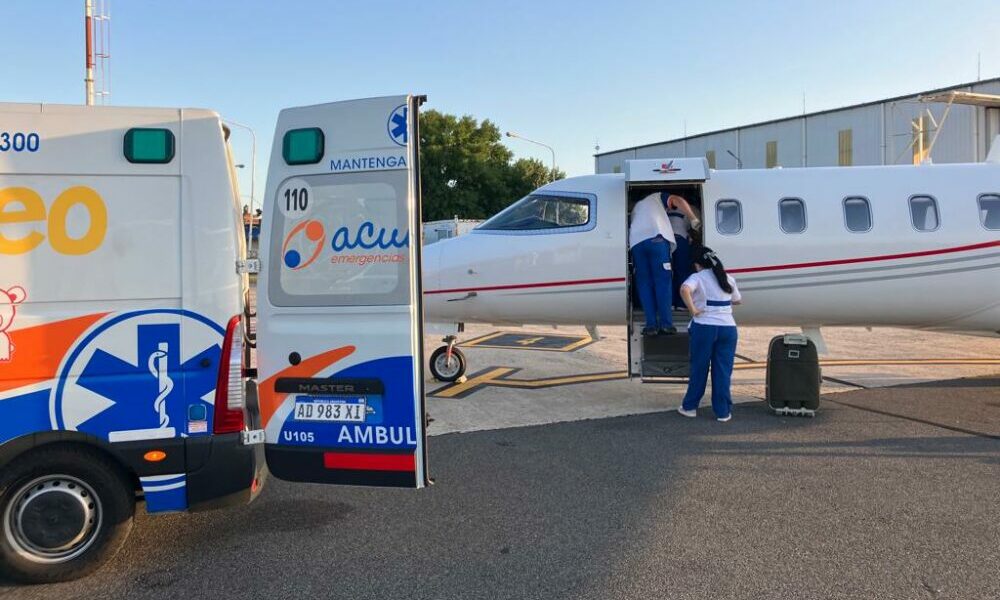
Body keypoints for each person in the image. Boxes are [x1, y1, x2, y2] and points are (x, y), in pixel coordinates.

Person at [677, 247, 742, 422]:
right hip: (728, 328)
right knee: (722, 371)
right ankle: (723, 412)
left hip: (705, 327)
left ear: (698, 264)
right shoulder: (727, 278)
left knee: (699, 368)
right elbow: (737, 300)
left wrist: (693, 309)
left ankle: (690, 407)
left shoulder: (697, 277)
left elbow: (684, 290)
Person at [629, 193, 677, 335]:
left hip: (637, 243)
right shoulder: (657, 197)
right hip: (657, 239)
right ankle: (666, 324)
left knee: (644, 284)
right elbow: (677, 200)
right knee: (662, 283)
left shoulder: (636, 208)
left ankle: (651, 325)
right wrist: (693, 218)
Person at [662, 194, 702, 309]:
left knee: (667, 273)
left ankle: (668, 303)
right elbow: (696, 229)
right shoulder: (692, 209)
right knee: (682, 271)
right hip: (680, 239)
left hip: (664, 240)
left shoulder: (665, 208)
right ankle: (681, 303)